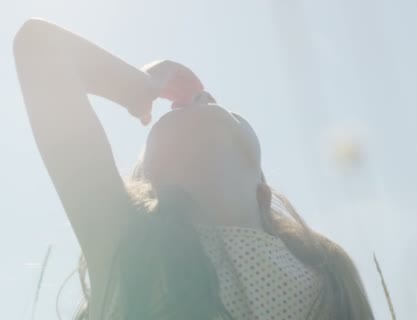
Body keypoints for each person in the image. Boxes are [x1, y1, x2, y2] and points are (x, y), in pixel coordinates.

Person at [13, 18, 374, 320]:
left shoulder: (324, 277)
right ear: (146, 186)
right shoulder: (125, 239)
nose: (197, 100)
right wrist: (137, 86)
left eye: (229, 112)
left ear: (263, 196)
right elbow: (38, 46)